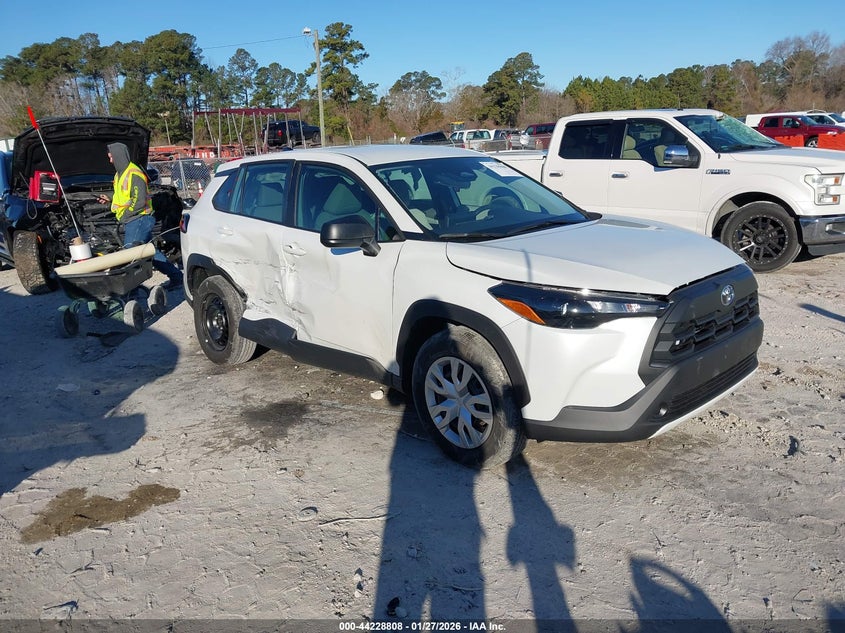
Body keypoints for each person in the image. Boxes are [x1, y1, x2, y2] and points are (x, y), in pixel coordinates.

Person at [98, 142, 182, 289]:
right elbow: (124, 195)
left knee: (130, 256)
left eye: (111, 157)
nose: (110, 161)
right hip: (133, 219)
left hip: (139, 219)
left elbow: (140, 200)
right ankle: (177, 277)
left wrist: (125, 214)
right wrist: (110, 197)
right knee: (149, 252)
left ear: (118, 156)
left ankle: (130, 290)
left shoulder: (134, 173)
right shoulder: (120, 174)